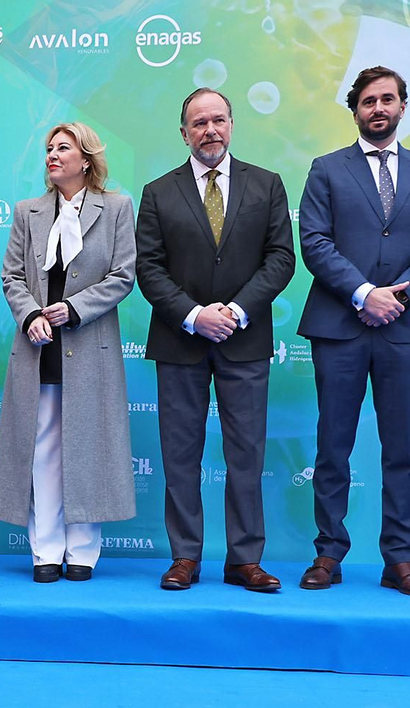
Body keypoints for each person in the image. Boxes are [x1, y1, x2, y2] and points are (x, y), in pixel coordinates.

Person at [297, 66, 410, 597]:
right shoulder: (325, 169)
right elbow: (314, 241)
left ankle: (400, 560)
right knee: (332, 446)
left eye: (388, 99)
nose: (378, 108)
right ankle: (328, 553)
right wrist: (365, 293)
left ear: (403, 107)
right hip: (340, 326)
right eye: (368, 101)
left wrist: (399, 297)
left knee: (401, 449)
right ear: (355, 110)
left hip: (402, 329)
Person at [135, 88, 295, 593]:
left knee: (245, 453)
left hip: (244, 340)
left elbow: (281, 259)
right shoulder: (158, 192)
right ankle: (185, 556)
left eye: (218, 120)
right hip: (180, 340)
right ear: (184, 132)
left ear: (232, 125)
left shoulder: (267, 185)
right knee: (180, 455)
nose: (210, 130)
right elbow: (148, 268)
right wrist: (194, 314)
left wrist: (236, 311)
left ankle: (245, 560)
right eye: (198, 122)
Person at [0, 122, 136, 583]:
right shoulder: (27, 211)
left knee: (87, 446)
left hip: (90, 344)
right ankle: (45, 549)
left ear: (86, 159)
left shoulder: (116, 207)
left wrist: (73, 308)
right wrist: (30, 315)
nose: (52, 155)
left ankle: (83, 553)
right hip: (38, 347)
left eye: (63, 148)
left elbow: (123, 275)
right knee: (43, 449)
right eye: (49, 149)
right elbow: (11, 277)